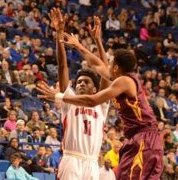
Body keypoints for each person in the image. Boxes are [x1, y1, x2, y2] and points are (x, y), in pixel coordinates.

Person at [37, 43, 164, 179]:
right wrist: (79, 45)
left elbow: (92, 100)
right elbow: (98, 65)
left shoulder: (123, 82)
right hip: (135, 139)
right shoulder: (118, 80)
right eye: (79, 82)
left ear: (115, 67)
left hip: (144, 138)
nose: (107, 65)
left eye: (110, 62)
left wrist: (59, 96)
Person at [43, 9, 110, 179]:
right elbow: (62, 66)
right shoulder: (69, 99)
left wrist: (98, 41)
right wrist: (59, 34)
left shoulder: (101, 103)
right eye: (79, 81)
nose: (80, 84)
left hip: (92, 162)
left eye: (85, 82)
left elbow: (106, 72)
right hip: (71, 158)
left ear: (95, 90)